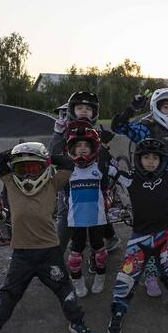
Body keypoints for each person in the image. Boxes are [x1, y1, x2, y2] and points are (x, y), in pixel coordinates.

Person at [0, 143, 95, 333]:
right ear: (16, 171)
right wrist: (16, 151)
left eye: (34, 168)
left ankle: (77, 322)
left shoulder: (52, 183)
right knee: (7, 297)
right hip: (22, 255)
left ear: (44, 167)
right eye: (23, 169)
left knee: (65, 291)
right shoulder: (11, 183)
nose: (29, 174)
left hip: (49, 252)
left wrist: (46, 155)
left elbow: (69, 164)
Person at [112, 88, 168, 296]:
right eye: (166, 106)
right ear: (156, 108)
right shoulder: (146, 129)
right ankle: (151, 275)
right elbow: (119, 126)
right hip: (148, 193)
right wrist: (132, 109)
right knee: (150, 235)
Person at [108, 139, 168, 333]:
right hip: (140, 239)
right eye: (146, 157)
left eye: (155, 158)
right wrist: (102, 154)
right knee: (126, 277)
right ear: (138, 159)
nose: (151, 161)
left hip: (163, 237)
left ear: (162, 161)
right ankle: (118, 310)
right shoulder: (130, 180)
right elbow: (109, 170)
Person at [51, 91, 121, 254]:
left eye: (88, 109)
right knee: (65, 214)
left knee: (98, 208)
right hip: (70, 179)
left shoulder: (95, 130)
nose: (84, 111)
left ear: (94, 113)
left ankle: (109, 237)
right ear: (71, 111)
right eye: (79, 108)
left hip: (93, 177)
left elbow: (104, 156)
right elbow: (53, 153)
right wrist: (58, 134)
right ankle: (56, 254)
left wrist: (104, 145)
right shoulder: (65, 130)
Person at [63, 122, 110, 297]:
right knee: (75, 255)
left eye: (86, 145)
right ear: (72, 149)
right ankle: (77, 281)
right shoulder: (68, 169)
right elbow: (65, 191)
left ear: (92, 148)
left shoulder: (99, 167)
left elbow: (106, 185)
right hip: (77, 218)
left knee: (99, 250)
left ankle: (100, 276)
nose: (82, 148)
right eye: (78, 145)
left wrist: (104, 145)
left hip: (97, 217)